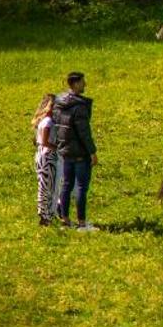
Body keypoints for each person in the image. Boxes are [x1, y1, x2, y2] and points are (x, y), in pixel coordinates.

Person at [52, 70, 99, 230]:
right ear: (75, 83)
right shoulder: (79, 107)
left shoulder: (59, 103)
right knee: (81, 188)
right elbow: (84, 133)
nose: (85, 84)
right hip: (80, 154)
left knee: (66, 185)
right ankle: (82, 223)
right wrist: (92, 152)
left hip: (65, 152)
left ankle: (65, 219)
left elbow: (57, 126)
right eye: (82, 82)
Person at [32, 93, 59, 227]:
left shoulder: (41, 121)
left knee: (44, 185)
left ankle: (44, 213)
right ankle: (46, 215)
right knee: (49, 186)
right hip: (48, 156)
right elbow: (45, 141)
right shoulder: (48, 122)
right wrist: (58, 147)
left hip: (41, 155)